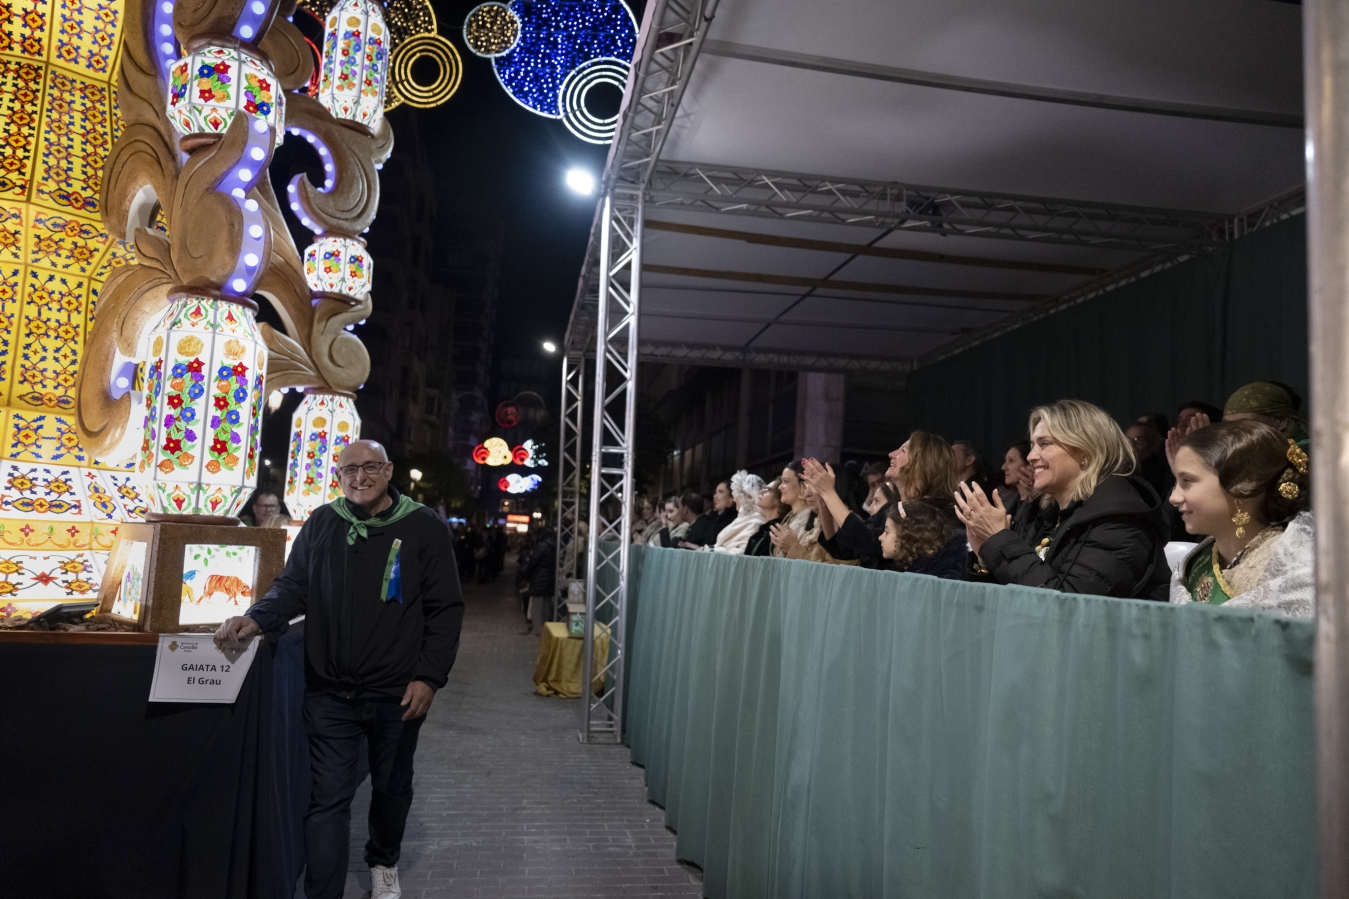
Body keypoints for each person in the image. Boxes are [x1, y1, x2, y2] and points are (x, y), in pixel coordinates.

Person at [214, 439, 464, 899]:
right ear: (338, 476)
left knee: (391, 787)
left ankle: (383, 860)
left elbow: (445, 609)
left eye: (370, 467)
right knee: (328, 798)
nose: (360, 477)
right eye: (349, 470)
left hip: (398, 692)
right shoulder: (325, 522)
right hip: (330, 691)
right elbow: (292, 586)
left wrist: (429, 677)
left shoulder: (422, 527)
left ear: (388, 471)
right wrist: (257, 617)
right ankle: (322, 892)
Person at [956, 399, 1171, 600]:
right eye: (1032, 445)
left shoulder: (1119, 522)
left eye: (1045, 443)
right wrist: (985, 552)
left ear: (1087, 451)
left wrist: (1000, 539)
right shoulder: (1047, 516)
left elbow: (1066, 608)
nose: (1031, 456)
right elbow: (1013, 590)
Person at [1169, 420, 1313, 616]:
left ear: (1242, 484)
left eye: (1187, 481)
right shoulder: (1193, 564)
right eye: (1176, 482)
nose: (1173, 498)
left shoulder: (1298, 568)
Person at [808, 432, 960, 569]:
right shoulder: (888, 510)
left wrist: (829, 493)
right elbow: (842, 551)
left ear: (924, 463)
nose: (891, 454)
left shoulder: (936, 515)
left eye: (903, 450)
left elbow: (866, 541)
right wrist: (823, 501)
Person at [768, 479, 858, 566]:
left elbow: (832, 575)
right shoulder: (816, 525)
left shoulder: (849, 525)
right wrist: (786, 550)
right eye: (806, 486)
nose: (807, 493)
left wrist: (793, 548)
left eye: (815, 486)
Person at [880, 501, 968, 580]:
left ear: (908, 536)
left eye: (887, 532)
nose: (880, 537)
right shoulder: (904, 569)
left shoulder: (937, 579)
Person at [1221, 381, 1309, 446]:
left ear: (1281, 421)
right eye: (1227, 424)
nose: (1232, 433)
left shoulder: (1311, 456)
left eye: (1244, 424)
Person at [711, 471, 767, 554]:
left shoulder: (757, 521)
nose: (734, 499)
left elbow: (743, 551)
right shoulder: (741, 519)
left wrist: (716, 550)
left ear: (747, 497)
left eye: (736, 496)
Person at [521, 526, 557, 634]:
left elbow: (533, 562)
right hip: (550, 578)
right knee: (546, 604)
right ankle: (545, 628)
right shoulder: (555, 545)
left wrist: (526, 575)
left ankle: (538, 629)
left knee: (537, 604)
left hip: (539, 578)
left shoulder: (542, 546)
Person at [771, 463, 812, 557]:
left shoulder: (809, 519)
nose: (780, 487)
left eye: (786, 481)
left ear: (803, 485)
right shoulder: (791, 517)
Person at [682, 480, 735, 548]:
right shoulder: (712, 519)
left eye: (720, 492)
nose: (715, 496)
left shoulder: (734, 520)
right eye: (715, 492)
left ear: (731, 497)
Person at [745, 479, 784, 557]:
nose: (760, 492)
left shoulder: (777, 533)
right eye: (763, 489)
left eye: (767, 490)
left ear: (778, 500)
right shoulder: (762, 532)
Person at [998, 441, 1034, 513]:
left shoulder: (1041, 504)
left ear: (1029, 465)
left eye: (1011, 460)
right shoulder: (1006, 501)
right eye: (1006, 461)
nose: (1003, 467)